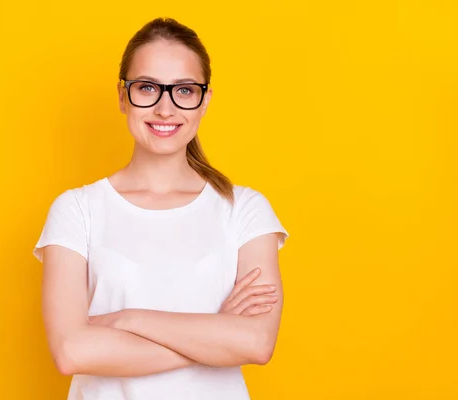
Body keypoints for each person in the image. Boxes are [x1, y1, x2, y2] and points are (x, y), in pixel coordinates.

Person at [32, 17, 289, 400]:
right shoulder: (76, 210)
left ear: (204, 100)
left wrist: (127, 320)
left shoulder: (245, 210)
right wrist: (216, 334)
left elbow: (256, 344)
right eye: (148, 87)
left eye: (184, 90)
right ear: (123, 96)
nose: (165, 108)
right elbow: (72, 352)